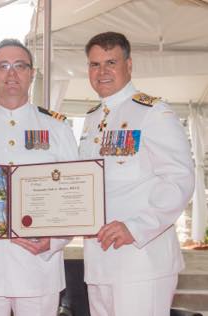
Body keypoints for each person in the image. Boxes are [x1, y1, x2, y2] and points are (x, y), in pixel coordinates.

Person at [0, 39, 79, 316]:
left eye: (20, 66)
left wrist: (55, 242)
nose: (12, 74)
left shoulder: (57, 128)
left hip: (38, 268)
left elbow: (75, 194)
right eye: (3, 66)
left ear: (32, 74)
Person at [79, 31, 195, 316]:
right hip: (99, 262)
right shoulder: (93, 118)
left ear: (129, 65)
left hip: (142, 260)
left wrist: (137, 226)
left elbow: (180, 179)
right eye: (95, 65)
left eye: (111, 62)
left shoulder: (154, 112)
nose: (102, 72)